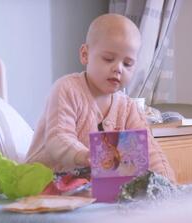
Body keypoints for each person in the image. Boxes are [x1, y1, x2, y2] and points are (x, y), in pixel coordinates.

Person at [26, 13, 176, 182]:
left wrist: (167, 182)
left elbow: (150, 151)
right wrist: (84, 155)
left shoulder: (128, 108)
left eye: (127, 64)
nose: (118, 69)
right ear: (85, 55)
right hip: (43, 180)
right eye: (108, 59)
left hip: (87, 186)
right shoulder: (66, 89)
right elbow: (58, 138)